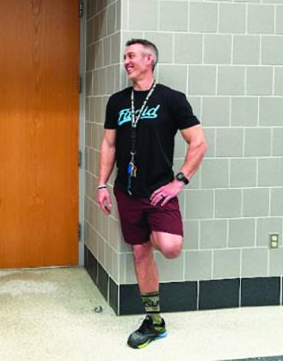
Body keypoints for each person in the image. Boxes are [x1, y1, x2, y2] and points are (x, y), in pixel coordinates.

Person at [96, 39, 207, 349]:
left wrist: (179, 181)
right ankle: (154, 321)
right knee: (139, 251)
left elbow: (198, 142)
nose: (126, 61)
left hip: (159, 192)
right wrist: (102, 184)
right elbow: (108, 145)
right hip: (127, 192)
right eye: (125, 56)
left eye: (132, 56)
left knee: (169, 246)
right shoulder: (118, 101)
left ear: (149, 60)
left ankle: (156, 237)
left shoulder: (172, 99)